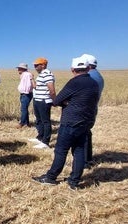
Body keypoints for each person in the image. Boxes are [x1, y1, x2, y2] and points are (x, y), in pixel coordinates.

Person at [32, 56, 100, 190]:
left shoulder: (74, 83)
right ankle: (74, 181)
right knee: (79, 150)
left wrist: (67, 103)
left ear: (72, 69)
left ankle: (51, 177)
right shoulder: (94, 83)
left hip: (70, 121)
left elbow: (57, 100)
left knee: (61, 150)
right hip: (85, 122)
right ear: (87, 68)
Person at [81, 53, 104, 167]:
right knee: (86, 133)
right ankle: (88, 158)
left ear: (88, 65)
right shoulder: (98, 75)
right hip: (91, 109)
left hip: (85, 110)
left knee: (83, 134)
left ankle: (84, 161)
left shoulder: (89, 77)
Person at [29, 57, 56, 149]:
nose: (35, 67)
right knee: (39, 119)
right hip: (37, 99)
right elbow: (36, 87)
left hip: (44, 101)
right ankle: (40, 137)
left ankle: (46, 141)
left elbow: (51, 89)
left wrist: (54, 100)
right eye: (34, 65)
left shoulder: (47, 74)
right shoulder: (41, 74)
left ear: (43, 65)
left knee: (46, 121)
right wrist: (32, 79)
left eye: (37, 65)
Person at [16, 63, 34, 128]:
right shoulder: (25, 74)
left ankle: (22, 123)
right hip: (25, 94)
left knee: (23, 109)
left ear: (22, 69)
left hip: (26, 94)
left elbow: (28, 85)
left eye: (19, 68)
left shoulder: (26, 75)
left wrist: (26, 92)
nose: (18, 70)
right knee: (24, 109)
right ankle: (27, 123)